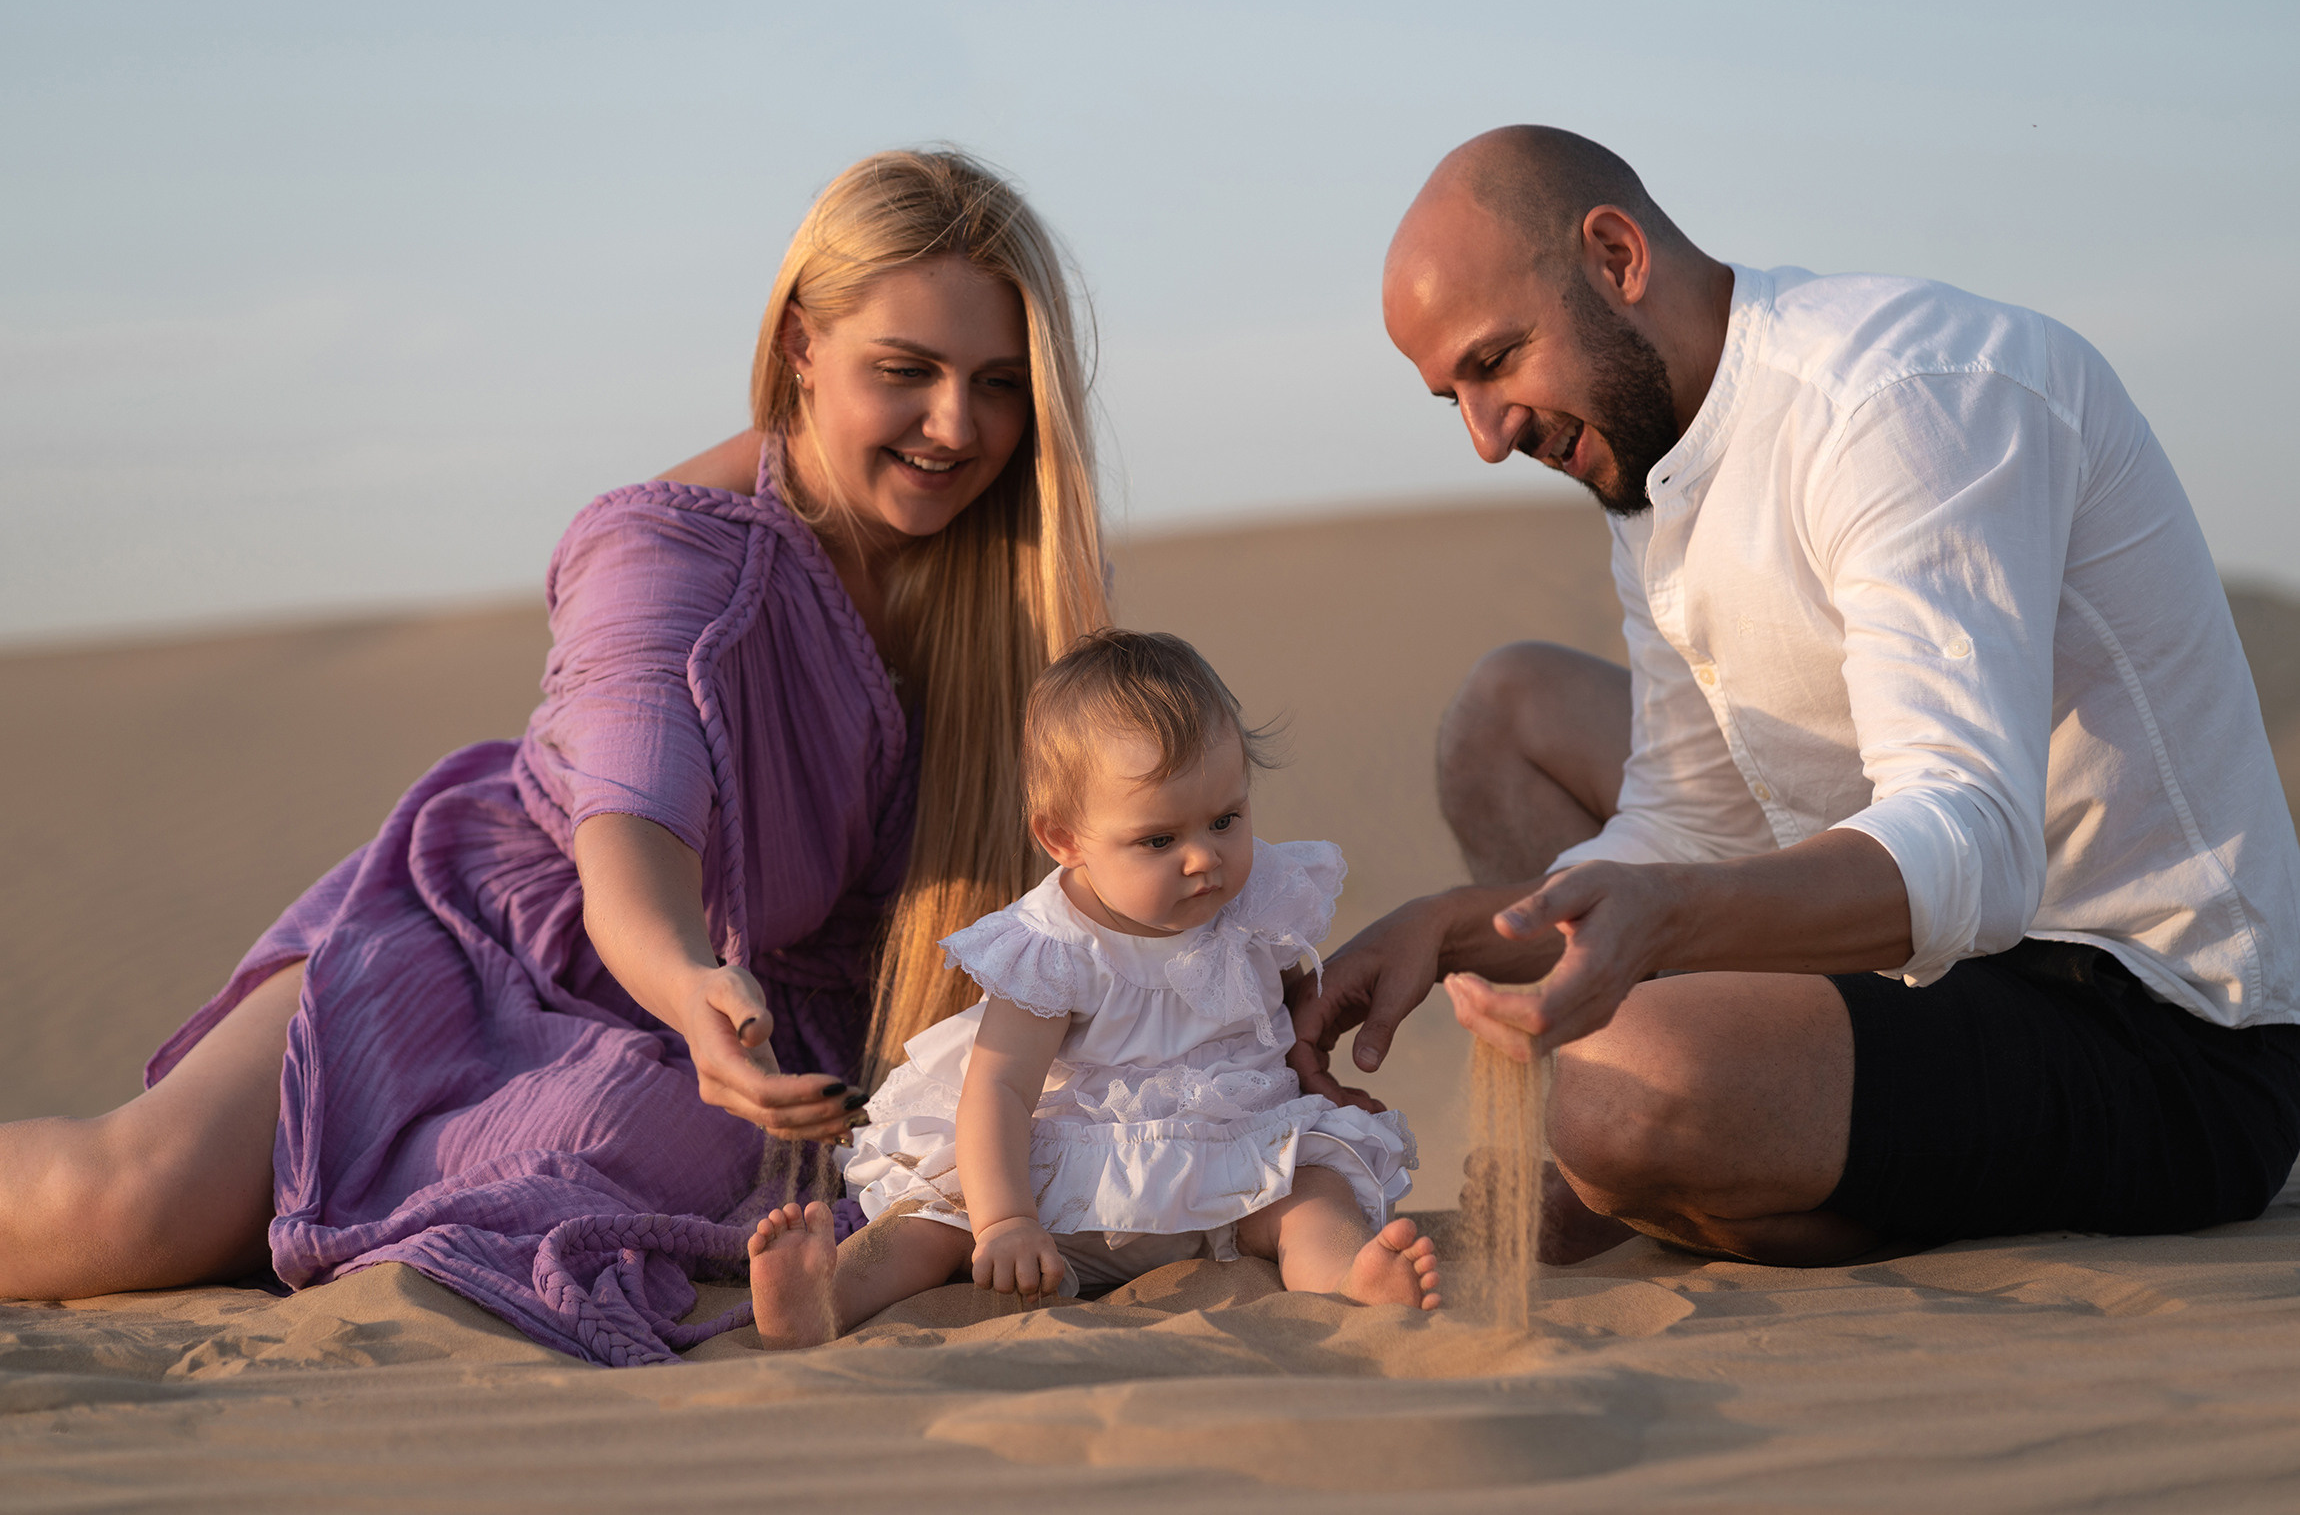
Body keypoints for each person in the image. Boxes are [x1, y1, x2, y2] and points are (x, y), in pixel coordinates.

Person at [0, 148, 1111, 1365]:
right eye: (905, 371)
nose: (955, 427)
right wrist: (687, 980)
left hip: (748, 1062)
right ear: (802, 341)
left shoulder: (1023, 582)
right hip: (491, 960)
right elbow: (631, 829)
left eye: (997, 384)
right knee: (133, 1205)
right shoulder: (668, 553)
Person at [1290, 125, 2300, 1268]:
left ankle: (1682, 1162)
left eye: (1496, 360)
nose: (1486, 435)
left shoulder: (1899, 399)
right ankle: (1706, 1157)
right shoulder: (1653, 455)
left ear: (1616, 257)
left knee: (1619, 1085)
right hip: (1923, 973)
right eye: (1452, 398)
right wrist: (1447, 932)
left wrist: (1670, 922)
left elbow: (1973, 848)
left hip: (2161, 1028)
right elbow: (1685, 822)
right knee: (1505, 717)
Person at [746, 630, 1435, 1346]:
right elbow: (999, 1090)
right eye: (1159, 840)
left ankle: (1349, 1281)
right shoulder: (1056, 949)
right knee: (935, 1221)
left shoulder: (1259, 897)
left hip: (1229, 1165)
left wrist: (1308, 1078)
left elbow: (1279, 1009)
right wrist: (1006, 1221)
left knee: (1312, 1193)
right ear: (1065, 840)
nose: (1205, 858)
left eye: (1226, 819)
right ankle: (821, 1297)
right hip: (1059, 1182)